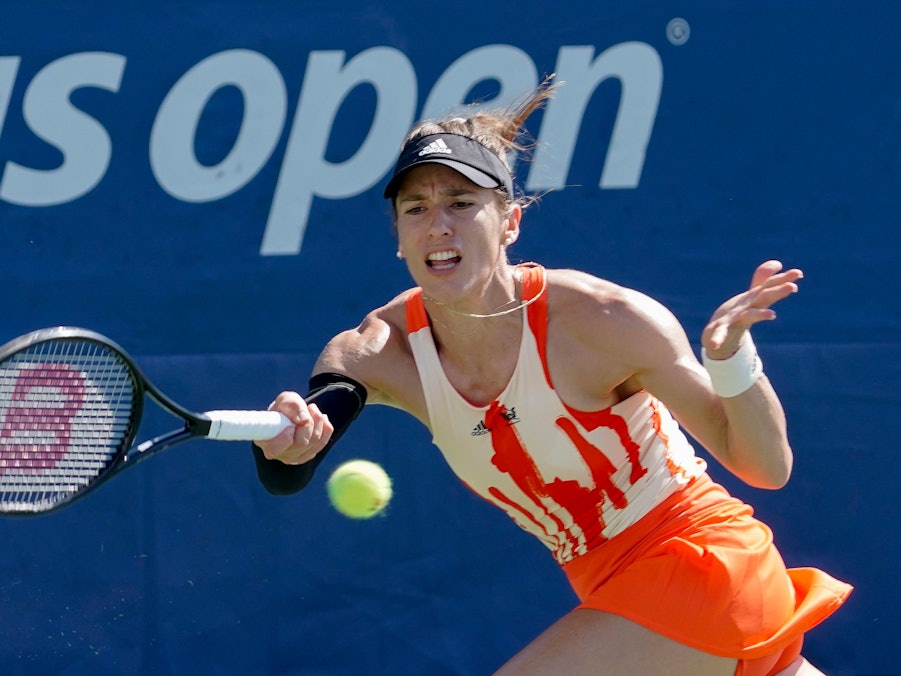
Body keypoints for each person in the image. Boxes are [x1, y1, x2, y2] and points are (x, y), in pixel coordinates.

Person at [251, 82, 852, 675]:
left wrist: (729, 363)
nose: (438, 225)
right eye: (416, 209)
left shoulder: (603, 320)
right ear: (400, 239)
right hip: (635, 608)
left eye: (462, 203)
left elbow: (766, 468)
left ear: (509, 223)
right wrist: (290, 439)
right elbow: (292, 464)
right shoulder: (375, 353)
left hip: (706, 565)